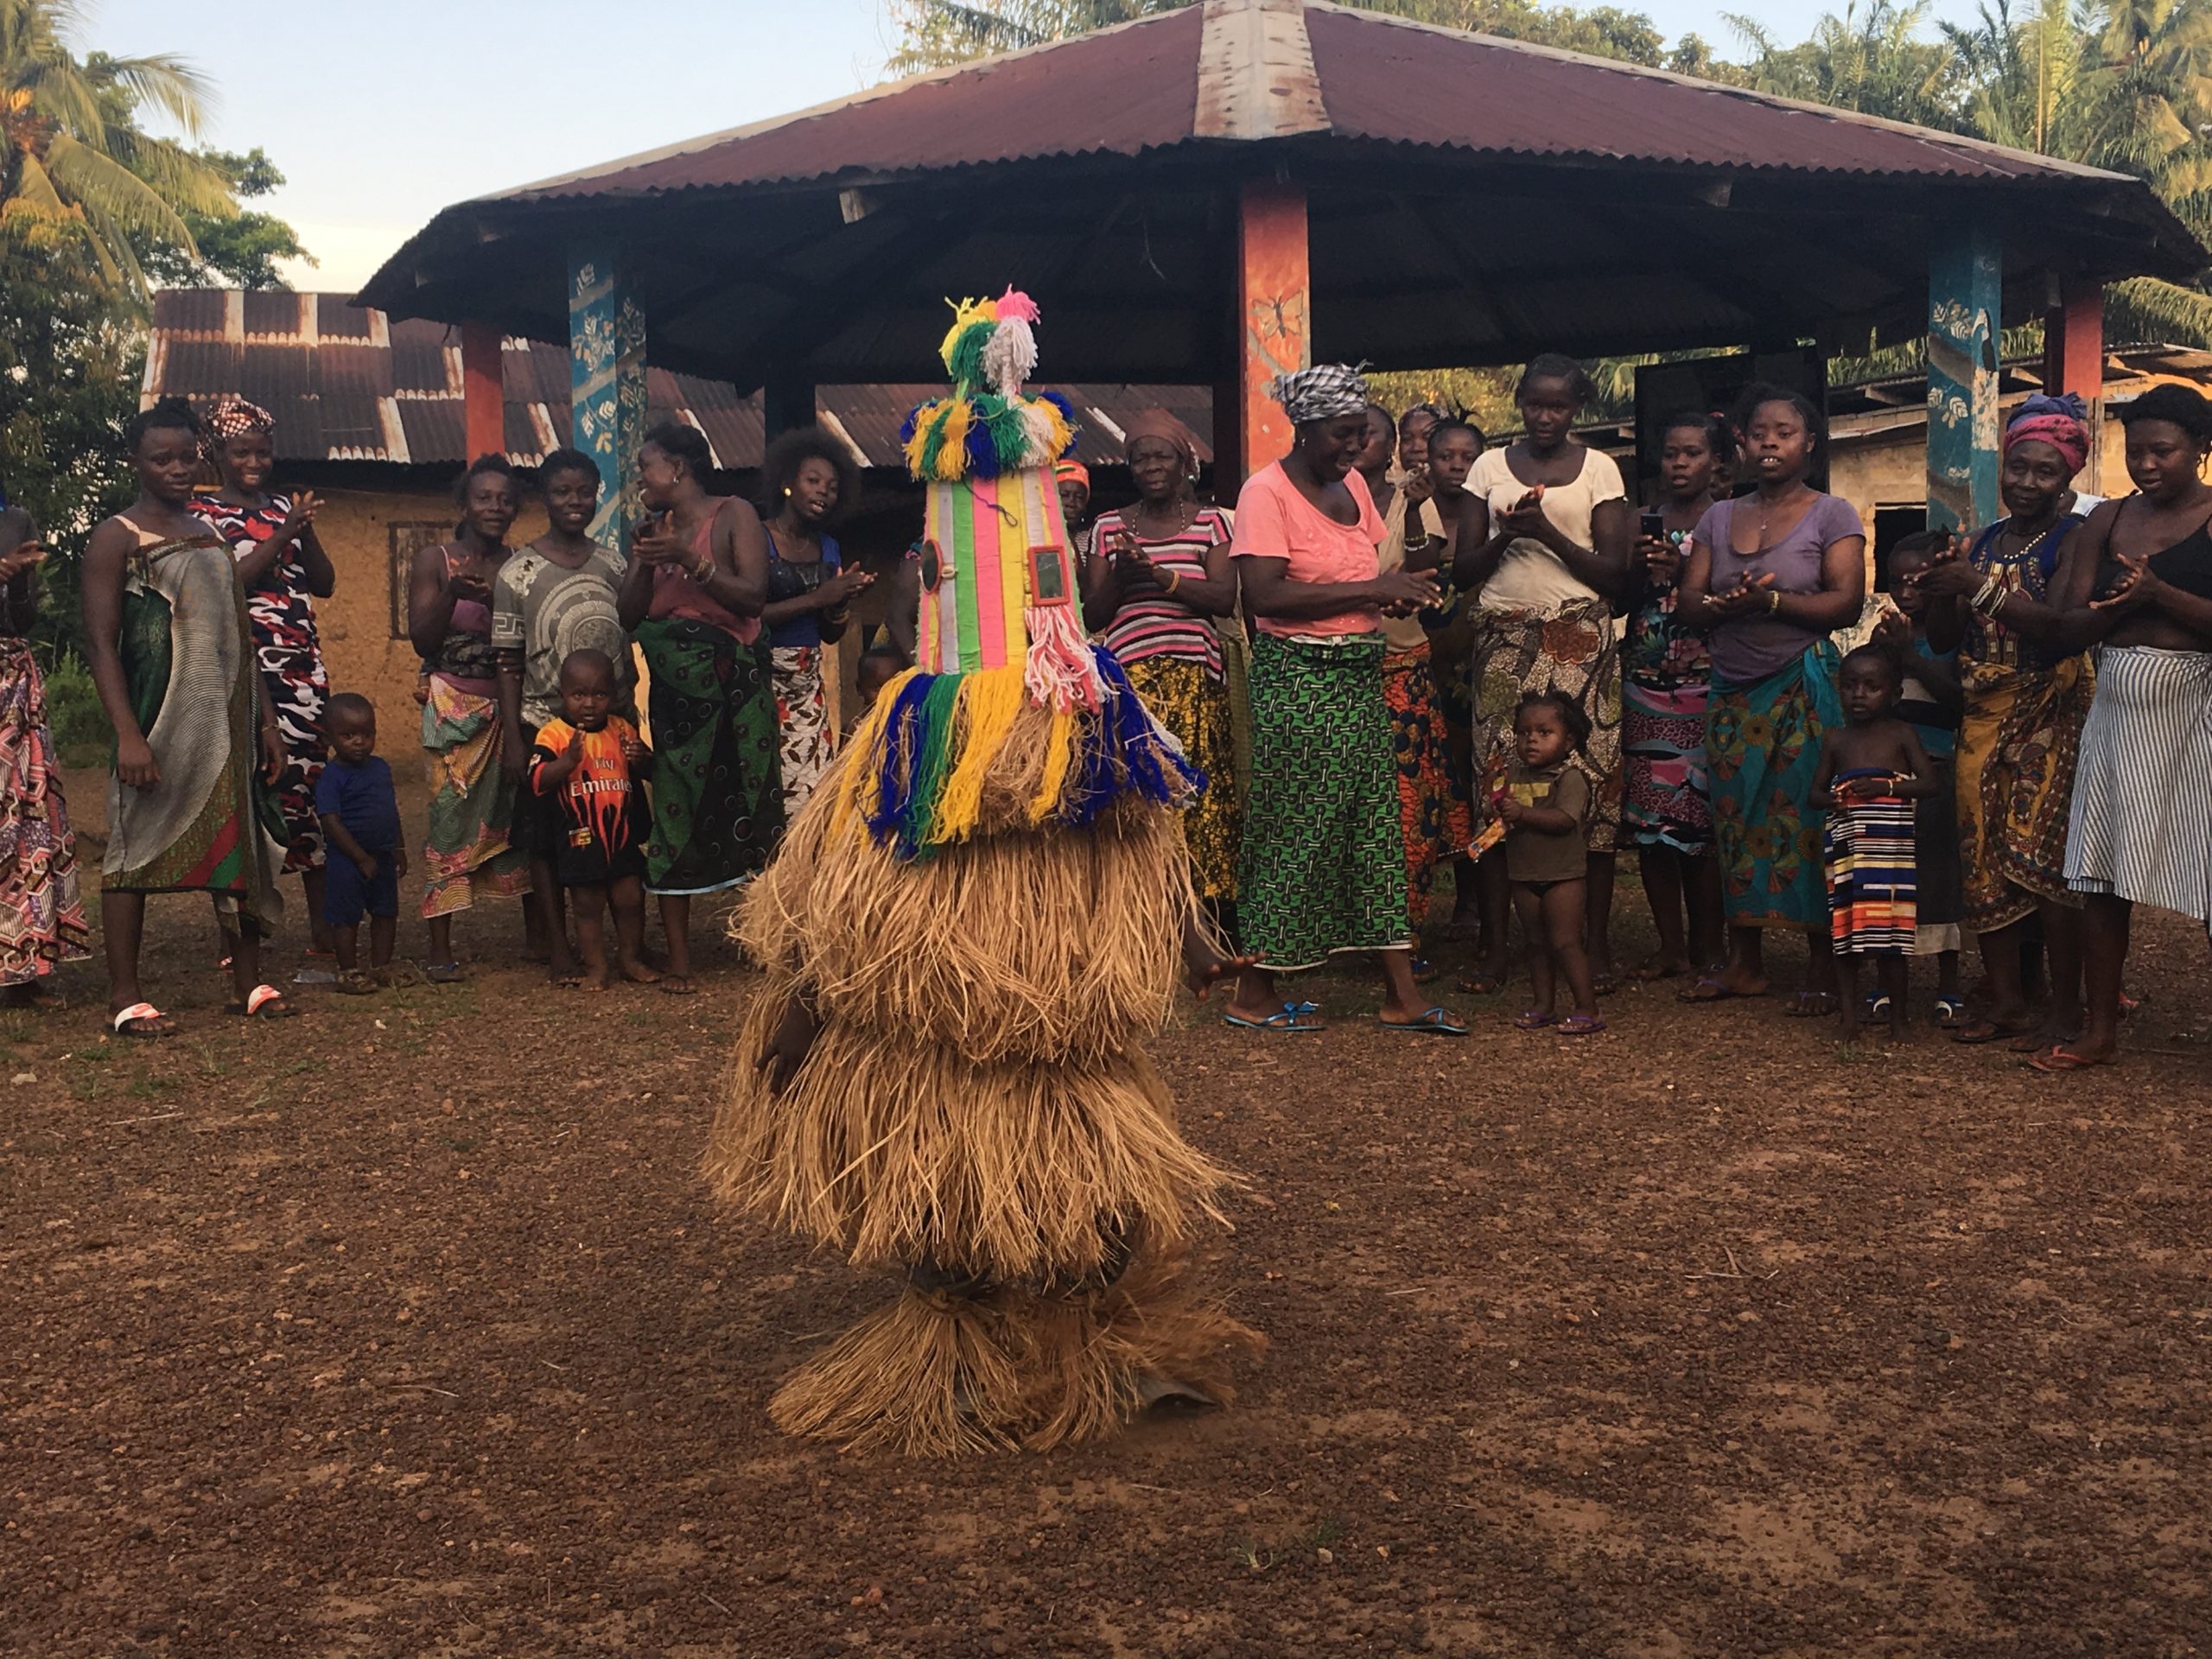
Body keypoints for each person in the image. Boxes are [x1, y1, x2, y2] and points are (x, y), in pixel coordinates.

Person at [712, 292, 1255, 1453]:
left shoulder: (1087, 728)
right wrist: (806, 1009)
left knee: (1091, 1210)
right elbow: (836, 914)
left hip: (1063, 1055)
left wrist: (1200, 947)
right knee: (955, 1214)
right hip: (943, 1057)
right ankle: (960, 1348)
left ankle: (1088, 1343)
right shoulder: (909, 752)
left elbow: (1147, 857)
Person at [1219, 364, 1465, 1036]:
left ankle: (1401, 992)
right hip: (1297, 680)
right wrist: (1370, 592)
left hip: (1359, 673)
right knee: (1296, 828)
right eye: (1343, 435)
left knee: (1374, 827)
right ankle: (1253, 991)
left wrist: (1401, 586)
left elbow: (1363, 576)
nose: (1356, 449)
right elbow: (1264, 596)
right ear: (1304, 428)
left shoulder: (1354, 485)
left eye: (1361, 435)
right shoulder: (1265, 493)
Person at [83, 398, 293, 1033]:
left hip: (226, 717)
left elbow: (239, 633)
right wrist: (127, 734)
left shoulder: (212, 534)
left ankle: (247, 981)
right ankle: (126, 994)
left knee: (240, 845)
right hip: (155, 713)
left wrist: (266, 721)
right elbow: (101, 643)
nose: (177, 468)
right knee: (135, 848)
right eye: (160, 458)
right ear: (136, 463)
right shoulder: (117, 536)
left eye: (186, 456)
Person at [1910, 395, 2099, 1050]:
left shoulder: (2076, 538)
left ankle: (2066, 1010)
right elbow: (1943, 638)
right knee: (1980, 853)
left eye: (2045, 471)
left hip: (2051, 707)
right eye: (2018, 467)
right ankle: (2008, 1001)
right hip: (1983, 713)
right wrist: (1940, 588)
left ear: (2069, 474)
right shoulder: (1983, 540)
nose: (2027, 482)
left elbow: (2058, 627)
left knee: (2043, 859)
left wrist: (1978, 585)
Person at [2037, 383, 2212, 1072]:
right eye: (2135, 451)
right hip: (2117, 708)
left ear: (2201, 448)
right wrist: (2108, 612)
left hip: (2199, 708)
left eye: (2163, 451)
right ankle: (2100, 1030)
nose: (2147, 464)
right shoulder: (2106, 521)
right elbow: (2067, 624)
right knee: (2102, 873)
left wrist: (2158, 593)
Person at [1679, 385, 1867, 1015]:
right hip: (1733, 688)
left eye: (1784, 433)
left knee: (1807, 821)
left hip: (1801, 682)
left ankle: (1819, 963)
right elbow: (1689, 602)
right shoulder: (1717, 516)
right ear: (1741, 441)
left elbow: (1846, 602)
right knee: (1735, 821)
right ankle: (1746, 961)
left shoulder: (1832, 513)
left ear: (1808, 443)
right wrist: (1722, 608)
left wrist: (1774, 603)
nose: (1769, 443)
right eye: (1758, 432)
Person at [1452, 354, 1631, 995]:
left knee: (1592, 787)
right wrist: (1508, 536)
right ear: (1520, 401)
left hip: (1583, 640)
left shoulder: (1601, 469)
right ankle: (1499, 949)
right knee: (1501, 790)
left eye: (1558, 406)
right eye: (1534, 403)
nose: (1545, 416)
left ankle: (1594, 946)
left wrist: (1547, 533)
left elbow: (1618, 574)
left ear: (1577, 407)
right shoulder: (1488, 467)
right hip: (1504, 640)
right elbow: (1463, 572)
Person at [617, 421, 784, 994]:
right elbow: (630, 616)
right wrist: (644, 558)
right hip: (676, 694)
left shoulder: (735, 515)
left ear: (678, 469)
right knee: (675, 801)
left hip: (735, 689)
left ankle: (770, 944)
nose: (641, 478)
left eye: (647, 466)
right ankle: (682, 962)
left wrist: (689, 559)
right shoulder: (651, 531)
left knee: (753, 796)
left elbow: (752, 597)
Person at [193, 399, 339, 963]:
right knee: (243, 797)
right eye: (242, 451)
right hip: (241, 670)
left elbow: (323, 584)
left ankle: (326, 931)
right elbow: (227, 582)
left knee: (307, 792)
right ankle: (238, 938)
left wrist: (304, 529)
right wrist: (281, 535)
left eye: (263, 451)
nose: (255, 461)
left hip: (300, 675)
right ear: (217, 454)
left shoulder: (282, 506)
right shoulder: (204, 512)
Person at [1080, 409, 1242, 908]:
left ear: (1185, 464)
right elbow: (1094, 614)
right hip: (1133, 682)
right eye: (1140, 458)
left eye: (1162, 456)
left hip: (1195, 674)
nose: (1151, 466)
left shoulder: (1212, 521)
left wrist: (1159, 575)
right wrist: (1128, 577)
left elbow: (1221, 597)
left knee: (1200, 790)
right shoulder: (1108, 527)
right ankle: (1145, 907)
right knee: (1142, 795)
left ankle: (1209, 908)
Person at [493, 448, 631, 985]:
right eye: (561, 492)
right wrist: (512, 738)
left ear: (597, 493)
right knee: (548, 841)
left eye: (584, 491)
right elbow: (507, 660)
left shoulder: (614, 564)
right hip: (542, 724)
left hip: (609, 726)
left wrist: (629, 718)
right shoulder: (518, 572)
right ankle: (557, 943)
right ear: (544, 498)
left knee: (610, 831)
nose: (574, 502)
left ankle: (621, 944)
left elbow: (626, 640)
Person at [410, 454, 532, 982]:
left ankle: (538, 936)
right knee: (448, 817)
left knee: (519, 815)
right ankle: (441, 947)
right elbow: (422, 638)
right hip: (455, 710)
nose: (495, 507)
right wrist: (455, 593)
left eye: (505, 499)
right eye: (484, 498)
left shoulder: (524, 564)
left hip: (514, 704)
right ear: (462, 504)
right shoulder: (435, 561)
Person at [1623, 412, 1729, 981]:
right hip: (1644, 687)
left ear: (1716, 461)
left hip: (1708, 683)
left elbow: (1737, 589)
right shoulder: (1642, 519)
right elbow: (1618, 599)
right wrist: (1640, 570)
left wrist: (1686, 567)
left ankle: (1710, 944)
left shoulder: (1728, 518)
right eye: (1671, 454)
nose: (1680, 464)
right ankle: (1669, 946)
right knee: (1652, 824)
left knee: (1702, 825)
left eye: (1692, 453)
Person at [1357, 404, 1464, 950]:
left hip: (1403, 667)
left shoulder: (1409, 500)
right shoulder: (1322, 501)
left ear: (1392, 443)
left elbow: (1427, 560)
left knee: (1408, 804)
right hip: (1344, 669)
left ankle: (1405, 931)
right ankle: (1350, 928)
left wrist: (1419, 509)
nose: (1356, 441)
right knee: (1351, 805)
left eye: (1369, 433)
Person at [1813, 645, 1936, 1044]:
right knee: (1845, 935)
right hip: (1848, 850)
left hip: (1891, 854)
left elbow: (1931, 783)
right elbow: (1814, 793)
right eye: (1849, 686)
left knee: (1892, 940)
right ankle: (1849, 1018)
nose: (1859, 695)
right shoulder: (1837, 740)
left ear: (1895, 694)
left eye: (1871, 686)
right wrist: (1834, 797)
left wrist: (1885, 786)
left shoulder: (1901, 735)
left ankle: (1899, 1020)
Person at [528, 649, 658, 994]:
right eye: (579, 694)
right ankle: (596, 968)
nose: (589, 703)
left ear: (613, 697)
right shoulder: (553, 735)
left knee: (631, 897)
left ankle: (630, 959)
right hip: (580, 838)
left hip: (621, 836)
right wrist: (567, 761)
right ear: (562, 696)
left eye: (599, 694)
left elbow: (648, 773)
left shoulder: (622, 729)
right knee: (587, 904)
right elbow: (537, 780)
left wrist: (642, 758)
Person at [0, 503, 88, 1006]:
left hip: (13, 687)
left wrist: (15, 583)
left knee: (26, 822)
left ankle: (19, 970)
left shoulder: (18, 521)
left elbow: (25, 620)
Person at [760, 427, 873, 814]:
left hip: (807, 688)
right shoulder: (758, 539)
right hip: (759, 684)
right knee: (764, 790)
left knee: (813, 795)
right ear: (787, 483)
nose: (824, 491)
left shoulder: (828, 547)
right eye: (813, 481)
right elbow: (748, 616)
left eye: (833, 486)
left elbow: (829, 634)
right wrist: (818, 597)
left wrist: (841, 601)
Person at [1880, 534, 1965, 1024]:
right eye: (1897, 582)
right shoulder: (1884, 634)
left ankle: (1949, 984)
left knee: (1939, 877)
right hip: (1889, 776)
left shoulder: (1951, 638)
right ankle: (1887, 984)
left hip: (1939, 770)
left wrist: (1910, 660)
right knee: (1887, 879)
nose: (1907, 592)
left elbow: (1958, 704)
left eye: (1920, 582)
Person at [1500, 690, 1603, 1036]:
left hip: (1563, 877)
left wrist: (1522, 814)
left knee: (1566, 942)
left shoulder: (1569, 779)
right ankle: (1543, 1005)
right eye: (1524, 732)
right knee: (1535, 943)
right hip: (1524, 874)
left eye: (1545, 733)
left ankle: (1587, 1007)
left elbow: (1564, 820)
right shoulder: (1513, 776)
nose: (1532, 740)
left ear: (1568, 739)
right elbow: (1500, 813)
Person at [1421, 415, 1488, 941]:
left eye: (1468, 457)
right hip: (1421, 664)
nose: (1457, 466)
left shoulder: (1487, 516)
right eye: (1447, 456)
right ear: (1428, 458)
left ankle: (1472, 897)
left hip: (1476, 665)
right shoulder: (1411, 513)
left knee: (1473, 779)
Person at [314, 693, 406, 994]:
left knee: (386, 912)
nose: (359, 742)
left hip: (382, 854)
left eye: (367, 734)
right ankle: (348, 970)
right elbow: (330, 821)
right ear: (330, 737)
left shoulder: (380, 768)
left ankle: (381, 967)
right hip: (347, 860)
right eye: (349, 735)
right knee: (346, 916)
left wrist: (399, 847)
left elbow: (390, 810)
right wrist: (359, 857)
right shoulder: (332, 776)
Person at [854, 641, 907, 714]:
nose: (885, 695)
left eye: (894, 686)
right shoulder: (858, 724)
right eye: (877, 688)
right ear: (859, 689)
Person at [1055, 458, 1092, 556]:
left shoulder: (1092, 540)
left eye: (1079, 497)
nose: (1071, 503)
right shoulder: (1040, 537)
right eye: (1064, 495)